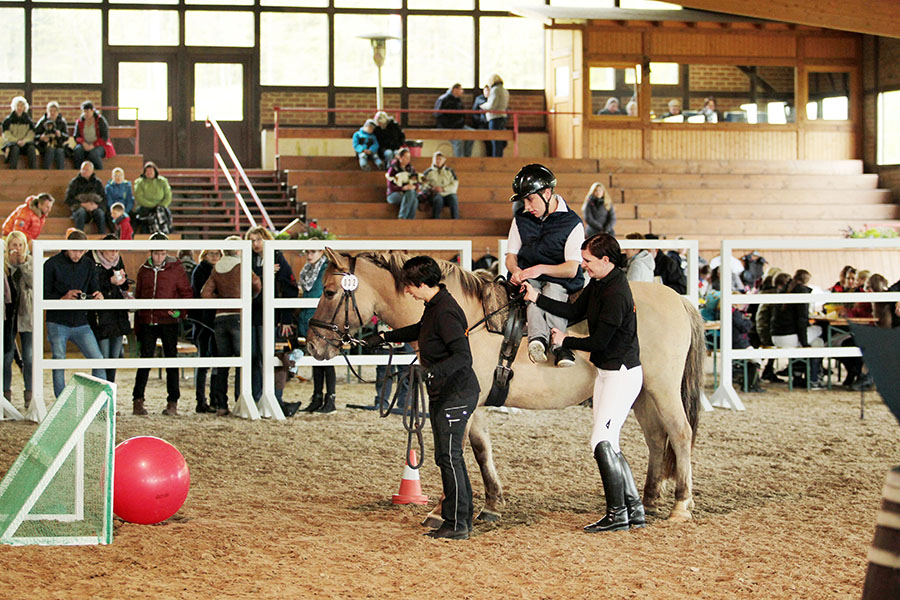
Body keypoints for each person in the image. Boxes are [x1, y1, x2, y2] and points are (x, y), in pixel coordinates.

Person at [522, 233, 645, 533]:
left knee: (600, 441)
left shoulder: (616, 292)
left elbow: (601, 341)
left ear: (606, 260)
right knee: (608, 440)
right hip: (608, 372)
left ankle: (617, 515)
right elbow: (574, 311)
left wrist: (567, 340)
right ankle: (634, 509)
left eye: (588, 261)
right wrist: (537, 298)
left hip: (621, 372)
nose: (584, 267)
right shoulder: (601, 283)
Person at [365, 256, 480, 540]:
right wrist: (384, 337)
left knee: (449, 457)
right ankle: (460, 518)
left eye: (409, 286)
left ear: (421, 283)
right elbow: (420, 330)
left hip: (456, 391)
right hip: (447, 391)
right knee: (449, 457)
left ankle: (456, 523)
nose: (407, 292)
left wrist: (430, 373)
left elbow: (463, 357)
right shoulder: (435, 306)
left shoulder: (446, 311)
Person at [505, 164, 585, 367]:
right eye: (524, 200)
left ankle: (558, 343)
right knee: (529, 291)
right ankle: (539, 340)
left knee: (553, 290)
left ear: (547, 193)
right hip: (528, 276)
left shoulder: (572, 223)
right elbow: (511, 256)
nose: (527, 206)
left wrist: (540, 268)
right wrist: (515, 271)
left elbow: (571, 268)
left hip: (560, 278)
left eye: (530, 199)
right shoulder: (521, 220)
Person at [131, 232, 193, 416]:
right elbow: (140, 296)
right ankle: (138, 400)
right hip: (148, 321)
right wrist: (139, 323)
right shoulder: (144, 270)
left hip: (168, 321)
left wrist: (179, 312)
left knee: (171, 360)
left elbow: (186, 293)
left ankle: (172, 401)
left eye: (162, 253)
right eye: (156, 253)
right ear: (150, 252)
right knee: (145, 360)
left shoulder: (176, 269)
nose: (159, 257)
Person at [202, 235, 261, 416]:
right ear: (238, 250)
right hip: (238, 316)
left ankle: (221, 404)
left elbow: (205, 293)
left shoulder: (216, 269)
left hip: (220, 318)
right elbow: (257, 285)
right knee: (244, 361)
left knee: (223, 363)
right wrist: (248, 298)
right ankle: (240, 400)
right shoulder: (242, 266)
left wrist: (221, 300)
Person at [43, 229, 106, 398]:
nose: (78, 254)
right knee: (58, 359)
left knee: (98, 359)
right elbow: (43, 294)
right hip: (57, 321)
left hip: (81, 321)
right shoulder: (51, 264)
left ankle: (99, 399)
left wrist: (98, 294)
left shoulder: (88, 264)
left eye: (81, 250)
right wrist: (62, 298)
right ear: (66, 247)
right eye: (74, 250)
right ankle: (61, 401)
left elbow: (94, 287)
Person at [247, 226, 298, 405]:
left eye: (259, 239)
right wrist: (265, 272)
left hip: (271, 315)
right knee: (252, 356)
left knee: (270, 357)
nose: (255, 244)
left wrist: (286, 318)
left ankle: (274, 397)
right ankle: (254, 395)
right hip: (250, 314)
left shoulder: (277, 257)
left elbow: (290, 287)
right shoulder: (248, 258)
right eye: (252, 240)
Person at [297, 249, 337, 414]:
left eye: (313, 252)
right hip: (308, 316)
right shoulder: (306, 269)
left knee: (327, 359)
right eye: (307, 252)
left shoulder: (326, 269)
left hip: (322, 318)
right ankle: (317, 396)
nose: (309, 255)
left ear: (321, 252)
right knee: (316, 358)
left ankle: (331, 398)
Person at [771, 269, 824, 390]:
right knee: (819, 335)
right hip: (789, 337)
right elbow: (802, 321)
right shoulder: (801, 292)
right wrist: (804, 343)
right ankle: (814, 378)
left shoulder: (783, 291)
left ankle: (798, 375)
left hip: (776, 336)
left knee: (812, 341)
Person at [89, 235, 132, 385]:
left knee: (114, 357)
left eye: (116, 249)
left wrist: (123, 282)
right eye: (111, 249)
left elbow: (123, 286)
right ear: (102, 249)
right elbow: (92, 286)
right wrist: (110, 281)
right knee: (102, 357)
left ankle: (110, 392)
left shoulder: (118, 260)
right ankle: (101, 394)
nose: (114, 253)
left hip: (118, 314)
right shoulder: (92, 261)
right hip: (101, 316)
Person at [3, 232, 34, 409]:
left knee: (29, 358)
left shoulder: (30, 262)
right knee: (6, 357)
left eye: (20, 245)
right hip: (8, 317)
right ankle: (5, 395)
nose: (17, 249)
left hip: (26, 314)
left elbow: (33, 283)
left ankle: (29, 394)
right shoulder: (3, 265)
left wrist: (22, 264)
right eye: (13, 245)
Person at [191, 247, 222, 414]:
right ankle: (201, 400)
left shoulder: (219, 270)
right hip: (203, 321)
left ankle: (214, 398)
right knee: (203, 361)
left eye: (217, 253)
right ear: (205, 255)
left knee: (216, 360)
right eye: (211, 253)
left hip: (214, 320)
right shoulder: (201, 270)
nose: (215, 256)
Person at [756, 270, 790, 383]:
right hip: (765, 331)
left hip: (759, 329)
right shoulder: (776, 297)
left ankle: (766, 369)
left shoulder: (765, 293)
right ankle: (767, 370)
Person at [65, 161, 109, 234]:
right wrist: (83, 205)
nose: (84, 171)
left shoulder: (97, 182)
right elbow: (69, 199)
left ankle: (102, 236)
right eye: (82, 169)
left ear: (92, 171)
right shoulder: (74, 182)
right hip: (79, 208)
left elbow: (104, 198)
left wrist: (96, 206)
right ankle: (79, 236)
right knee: (81, 212)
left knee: (100, 213)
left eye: (86, 170)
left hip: (95, 208)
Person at [73, 101, 115, 170]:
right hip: (84, 144)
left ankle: (100, 171)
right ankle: (78, 171)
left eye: (87, 112)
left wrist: (94, 145)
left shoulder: (100, 120)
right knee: (77, 151)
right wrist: (83, 143)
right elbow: (76, 136)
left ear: (92, 111)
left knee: (94, 154)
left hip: (99, 145)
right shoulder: (80, 122)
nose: (85, 114)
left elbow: (104, 137)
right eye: (84, 112)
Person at [133, 161, 173, 234]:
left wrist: (161, 205)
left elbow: (168, 196)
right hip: (145, 207)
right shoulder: (140, 182)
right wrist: (153, 205)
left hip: (160, 206)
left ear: (155, 171)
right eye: (147, 171)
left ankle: (165, 233)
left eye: (151, 170)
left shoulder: (163, 181)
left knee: (164, 213)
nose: (149, 173)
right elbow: (139, 197)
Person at [434, 83, 473, 157]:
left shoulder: (458, 100)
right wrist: (449, 125)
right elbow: (438, 115)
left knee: (472, 134)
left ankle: (467, 158)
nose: (462, 91)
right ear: (455, 90)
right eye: (460, 89)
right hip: (448, 127)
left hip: (459, 126)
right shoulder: (443, 99)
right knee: (458, 141)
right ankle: (459, 162)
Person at [421, 151, 460, 219]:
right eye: (436, 159)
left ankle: (456, 220)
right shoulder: (428, 172)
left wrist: (443, 189)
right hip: (434, 194)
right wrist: (432, 189)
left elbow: (455, 184)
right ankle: (436, 219)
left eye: (440, 159)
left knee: (454, 198)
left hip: (448, 194)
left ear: (444, 160)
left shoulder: (449, 171)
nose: (438, 161)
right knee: (438, 199)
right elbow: (423, 184)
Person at [2, 96, 37, 169]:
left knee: (31, 148)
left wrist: (24, 141)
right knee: (15, 149)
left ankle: (33, 170)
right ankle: (12, 170)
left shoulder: (29, 121)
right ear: (14, 107)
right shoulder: (8, 120)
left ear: (25, 107)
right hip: (13, 143)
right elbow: (6, 135)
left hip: (25, 143)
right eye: (17, 105)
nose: (19, 108)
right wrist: (17, 141)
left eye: (21, 106)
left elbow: (31, 134)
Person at [480, 74, 509, 157]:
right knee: (499, 140)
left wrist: (483, 106)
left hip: (495, 117)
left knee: (495, 141)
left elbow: (491, 106)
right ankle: (499, 158)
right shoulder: (504, 90)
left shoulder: (495, 90)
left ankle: (496, 159)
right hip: (502, 116)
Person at [385, 148, 419, 220]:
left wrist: (413, 186)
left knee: (414, 199)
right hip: (393, 194)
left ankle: (408, 220)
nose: (408, 159)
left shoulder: (411, 169)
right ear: (400, 157)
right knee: (411, 197)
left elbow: (416, 182)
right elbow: (390, 186)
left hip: (408, 193)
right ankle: (402, 217)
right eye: (406, 157)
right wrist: (403, 188)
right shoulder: (393, 169)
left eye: (409, 157)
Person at [34, 101, 68, 170]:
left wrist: (60, 135)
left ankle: (61, 173)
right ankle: (46, 171)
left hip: (58, 145)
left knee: (60, 152)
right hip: (45, 146)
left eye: (54, 111)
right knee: (50, 150)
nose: (52, 113)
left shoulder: (62, 122)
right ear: (47, 111)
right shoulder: (42, 121)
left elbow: (66, 136)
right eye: (50, 111)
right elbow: (34, 135)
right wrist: (41, 138)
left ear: (58, 112)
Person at [472, 85, 490, 156]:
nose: (487, 92)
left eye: (489, 90)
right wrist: (480, 121)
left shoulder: (494, 100)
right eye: (486, 90)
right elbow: (474, 113)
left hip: (491, 124)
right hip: (482, 124)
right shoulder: (479, 99)